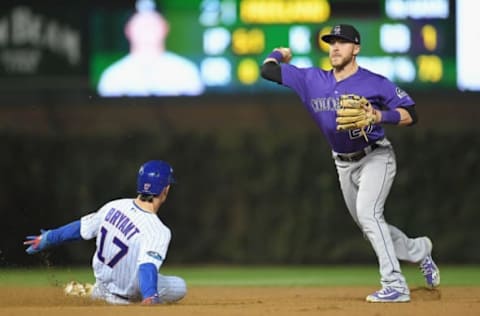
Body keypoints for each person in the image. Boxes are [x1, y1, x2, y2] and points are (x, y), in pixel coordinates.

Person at [260, 24, 440, 303]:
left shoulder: (374, 82)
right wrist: (279, 53)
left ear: (355, 49)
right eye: (331, 42)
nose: (335, 47)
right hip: (342, 163)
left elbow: (411, 113)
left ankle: (395, 284)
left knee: (369, 215)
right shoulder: (311, 79)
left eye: (342, 42)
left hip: (376, 156)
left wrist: (379, 117)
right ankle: (419, 250)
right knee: (371, 228)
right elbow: (267, 70)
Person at [23, 160, 186, 305]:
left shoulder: (114, 206)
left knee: (134, 268)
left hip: (103, 287)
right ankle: (117, 294)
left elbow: (80, 229)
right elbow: (147, 266)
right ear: (165, 189)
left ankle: (93, 291)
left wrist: (48, 237)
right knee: (180, 286)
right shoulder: (158, 230)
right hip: (128, 294)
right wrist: (150, 295)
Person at [97, 0, 204, 97]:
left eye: (152, 24)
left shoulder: (185, 71)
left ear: (165, 28)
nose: (147, 30)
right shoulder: (113, 76)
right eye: (141, 25)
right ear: (128, 30)